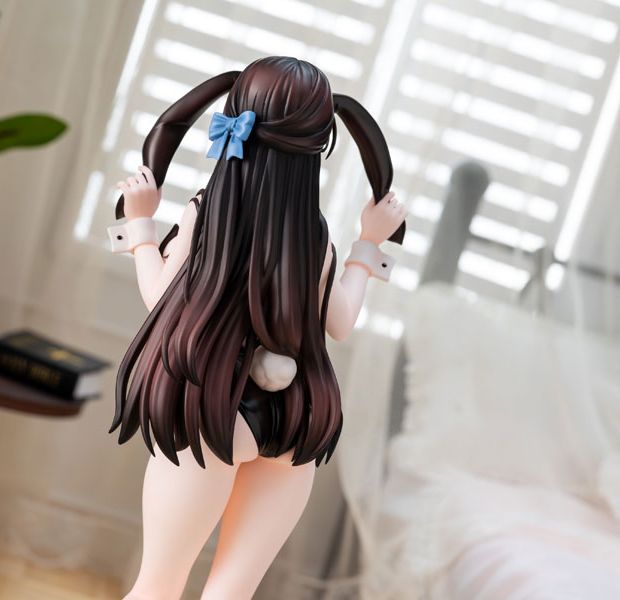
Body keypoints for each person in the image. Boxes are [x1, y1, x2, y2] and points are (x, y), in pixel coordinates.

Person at [108, 56, 406, 599]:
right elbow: (340, 322)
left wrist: (140, 223)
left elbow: (160, 297)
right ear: (317, 147)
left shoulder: (208, 213)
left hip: (215, 412)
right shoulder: (313, 234)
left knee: (158, 587)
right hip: (292, 420)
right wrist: (369, 243)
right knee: (232, 594)